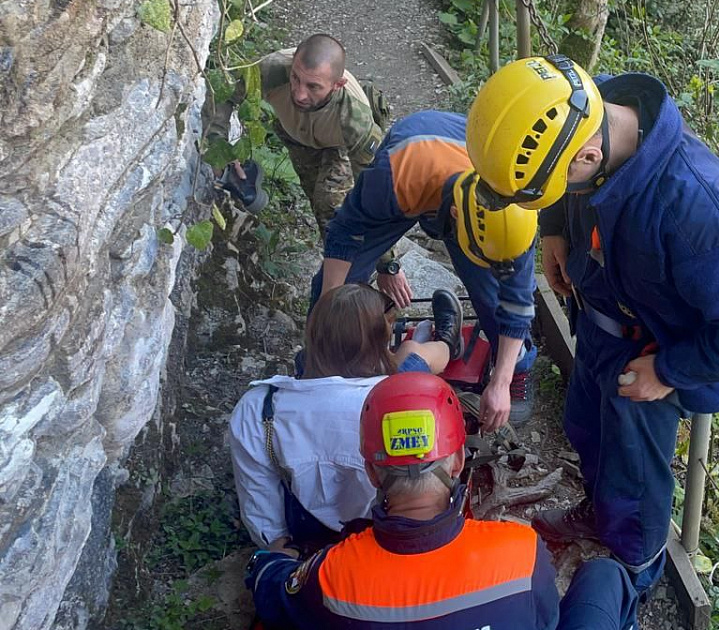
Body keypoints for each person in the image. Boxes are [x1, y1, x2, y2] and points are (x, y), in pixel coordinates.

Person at [465, 56, 719, 593]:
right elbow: (557, 174)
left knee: (634, 473)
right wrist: (554, 226)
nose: (554, 201)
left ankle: (629, 571)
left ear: (589, 158)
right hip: (599, 321)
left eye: (553, 193)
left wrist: (668, 370)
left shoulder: (700, 210)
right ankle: (596, 515)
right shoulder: (581, 112)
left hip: (652, 353)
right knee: (585, 428)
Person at [244, 372, 640, 629]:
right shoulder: (521, 554)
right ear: (458, 461)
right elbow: (545, 620)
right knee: (606, 576)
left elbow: (272, 591)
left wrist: (269, 560)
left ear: (370, 472)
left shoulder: (333, 576)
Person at [313, 111, 541, 428]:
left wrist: (500, 383)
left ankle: (517, 368)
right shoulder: (394, 177)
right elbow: (346, 232)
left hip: (458, 191)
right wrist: (329, 309)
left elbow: (517, 301)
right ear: (450, 216)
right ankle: (325, 363)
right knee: (334, 288)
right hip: (415, 173)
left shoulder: (517, 217)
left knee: (491, 297)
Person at [229, 284, 463, 552]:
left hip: (310, 545)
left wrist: (287, 559)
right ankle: (446, 342)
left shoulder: (257, 409)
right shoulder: (393, 401)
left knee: (408, 358)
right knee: (413, 356)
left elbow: (264, 519)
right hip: (390, 538)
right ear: (379, 341)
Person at [205, 33, 388, 240]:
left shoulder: (356, 121)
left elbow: (374, 191)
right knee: (316, 200)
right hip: (295, 134)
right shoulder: (271, 70)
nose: (299, 94)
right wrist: (219, 147)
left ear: (337, 85)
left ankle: (344, 262)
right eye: (295, 78)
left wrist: (388, 264)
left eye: (313, 87)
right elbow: (222, 96)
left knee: (331, 205)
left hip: (339, 144)